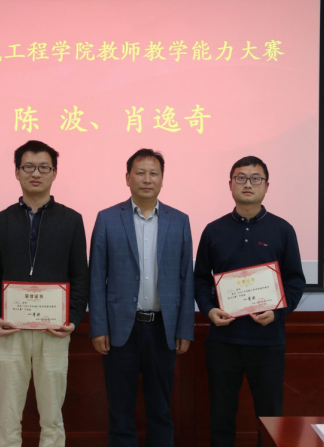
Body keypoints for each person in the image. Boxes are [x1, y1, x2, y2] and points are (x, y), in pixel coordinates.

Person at [0, 140, 89, 447]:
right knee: (8, 414)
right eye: (28, 167)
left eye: (44, 167)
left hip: (54, 329)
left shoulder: (71, 220)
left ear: (54, 172)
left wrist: (73, 319)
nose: (36, 173)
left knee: (52, 416)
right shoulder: (1, 221)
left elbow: (80, 276)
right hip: (10, 329)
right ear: (17, 172)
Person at [194, 156, 306, 447]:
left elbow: (295, 282)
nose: (248, 184)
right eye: (241, 177)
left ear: (267, 186)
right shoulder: (213, 230)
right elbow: (200, 279)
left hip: (267, 342)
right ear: (230, 184)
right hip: (223, 341)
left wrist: (277, 313)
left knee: (270, 418)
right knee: (221, 416)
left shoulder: (283, 230)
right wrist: (209, 309)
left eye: (256, 178)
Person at [89, 148, 195, 447]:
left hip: (163, 328)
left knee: (161, 410)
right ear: (127, 178)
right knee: (120, 410)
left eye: (153, 173)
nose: (147, 179)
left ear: (162, 179)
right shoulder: (108, 218)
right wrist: (99, 327)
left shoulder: (179, 220)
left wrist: (184, 329)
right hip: (120, 329)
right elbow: (96, 277)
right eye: (140, 172)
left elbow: (186, 278)